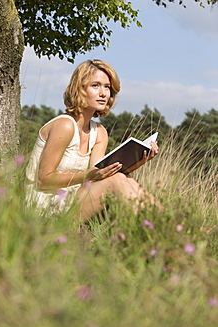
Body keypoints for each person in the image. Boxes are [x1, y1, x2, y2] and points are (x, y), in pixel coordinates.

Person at [25, 59, 160, 222]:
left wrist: (138, 161)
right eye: (95, 85)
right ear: (80, 89)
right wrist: (89, 175)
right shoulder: (65, 125)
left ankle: (171, 227)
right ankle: (162, 230)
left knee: (121, 178)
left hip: (77, 201)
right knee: (116, 181)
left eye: (107, 87)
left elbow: (100, 175)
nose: (103, 93)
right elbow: (43, 180)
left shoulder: (99, 132)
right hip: (45, 207)